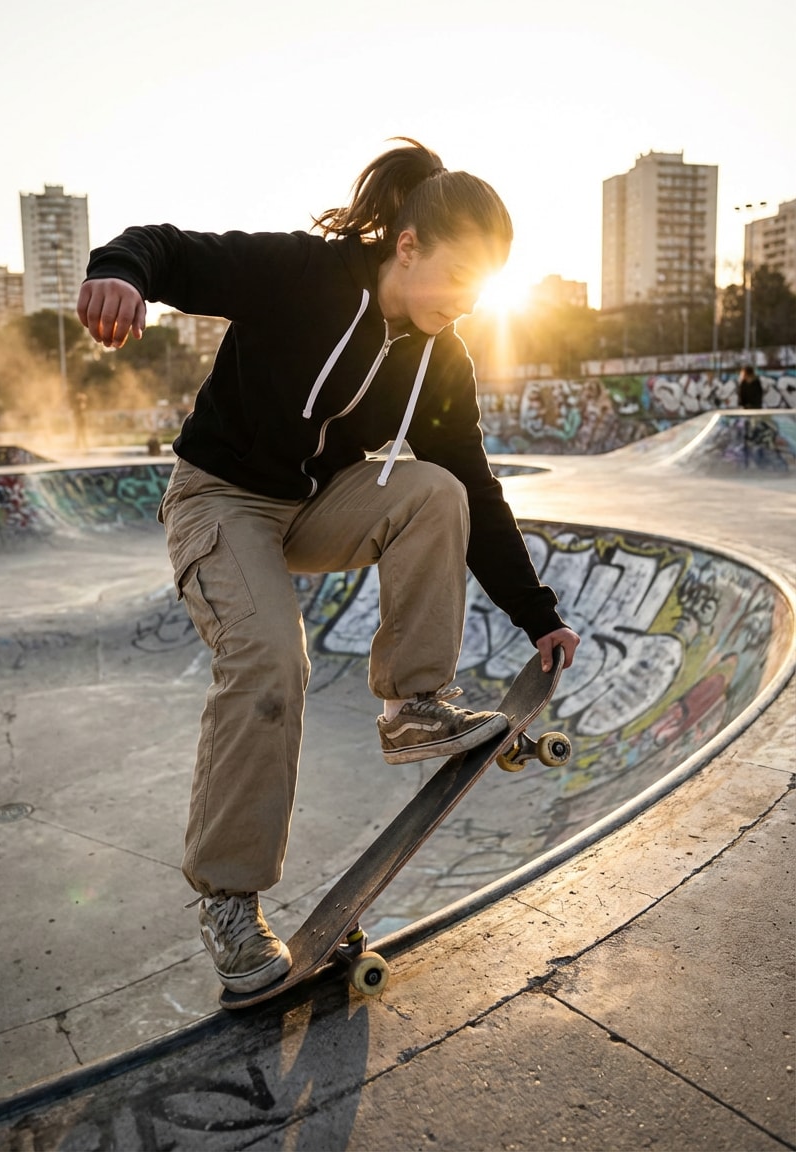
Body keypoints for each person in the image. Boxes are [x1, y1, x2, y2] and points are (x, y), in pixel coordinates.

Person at [77, 139, 580, 995]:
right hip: (221, 500)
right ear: (407, 247)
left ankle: (413, 705)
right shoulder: (303, 274)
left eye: (480, 291)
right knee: (272, 660)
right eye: (458, 279)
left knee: (437, 491)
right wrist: (120, 272)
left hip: (315, 506)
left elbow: (477, 489)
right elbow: (169, 248)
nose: (464, 304)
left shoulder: (442, 356)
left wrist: (539, 615)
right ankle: (230, 902)